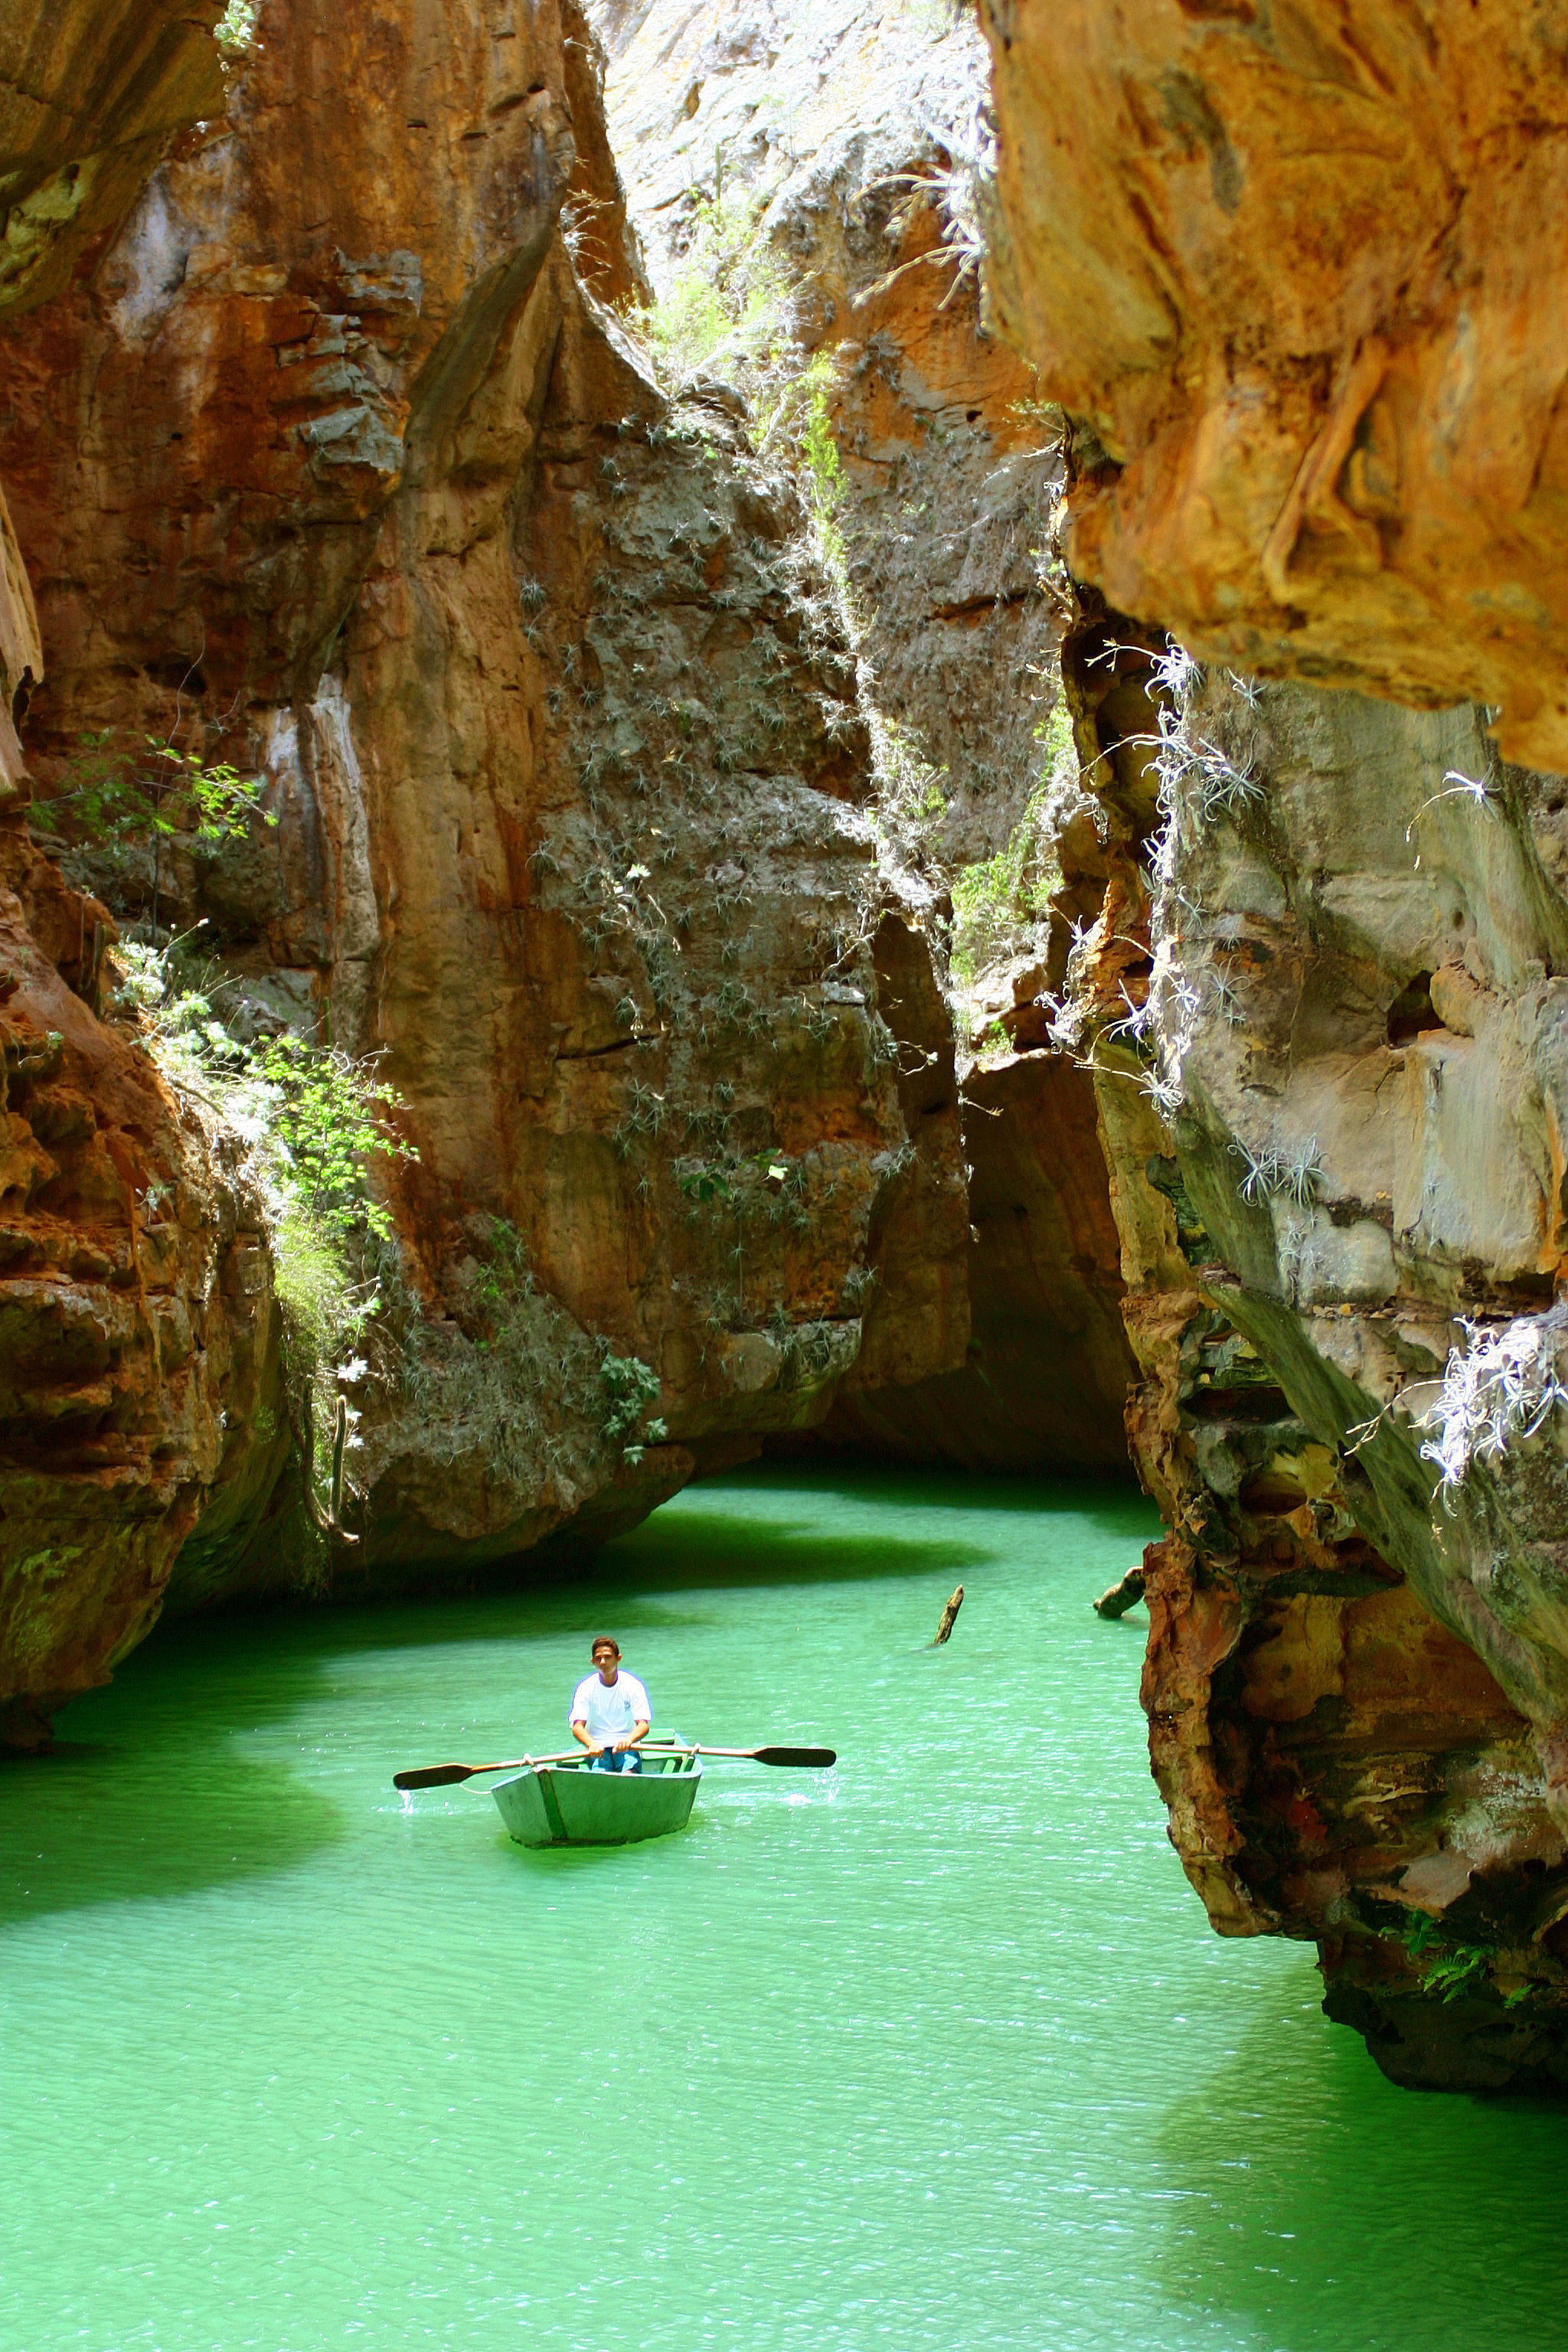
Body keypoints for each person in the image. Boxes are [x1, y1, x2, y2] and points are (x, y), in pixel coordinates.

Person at [570, 1637, 650, 1772]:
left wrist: (629, 1740)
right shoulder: (585, 1688)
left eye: (607, 1657)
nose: (603, 1662)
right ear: (592, 1662)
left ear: (618, 1658)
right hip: (597, 1748)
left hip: (626, 1746)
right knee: (601, 1774)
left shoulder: (633, 1685)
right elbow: (577, 1727)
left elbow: (643, 1725)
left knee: (630, 1771)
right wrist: (591, 1744)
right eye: (598, 1658)